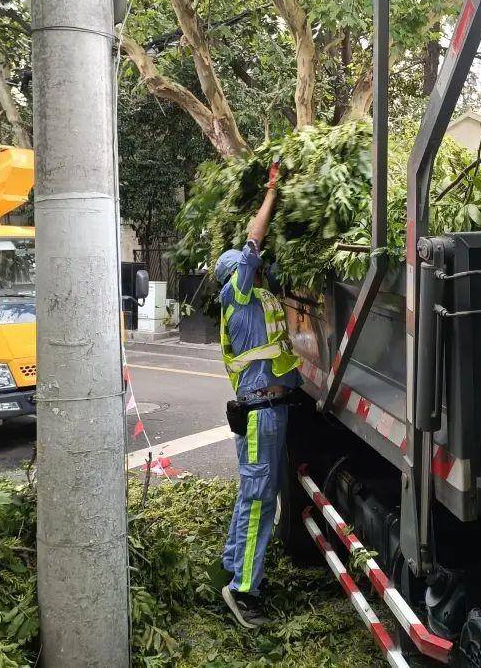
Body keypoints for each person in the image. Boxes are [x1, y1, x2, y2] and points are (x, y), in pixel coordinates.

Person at [214, 162, 301, 629]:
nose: (260, 269)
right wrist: (271, 193)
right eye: (252, 267)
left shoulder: (259, 300)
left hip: (269, 409)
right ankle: (244, 590)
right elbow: (253, 243)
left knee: (253, 496)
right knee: (259, 501)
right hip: (260, 413)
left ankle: (232, 566)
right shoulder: (238, 295)